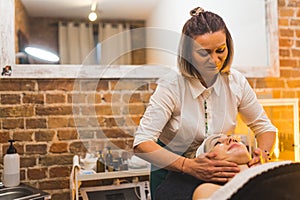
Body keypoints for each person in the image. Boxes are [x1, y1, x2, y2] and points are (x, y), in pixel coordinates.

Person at [133, 6, 277, 199]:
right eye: (204, 53)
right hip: (172, 170)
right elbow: (142, 143)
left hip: (218, 170)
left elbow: (264, 128)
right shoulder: (172, 85)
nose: (214, 60)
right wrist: (188, 165)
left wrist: (262, 155)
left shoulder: (236, 82)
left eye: (220, 50)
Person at [192, 134, 252, 199]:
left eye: (236, 139)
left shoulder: (263, 168)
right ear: (207, 163)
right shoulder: (209, 191)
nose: (231, 139)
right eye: (217, 143)